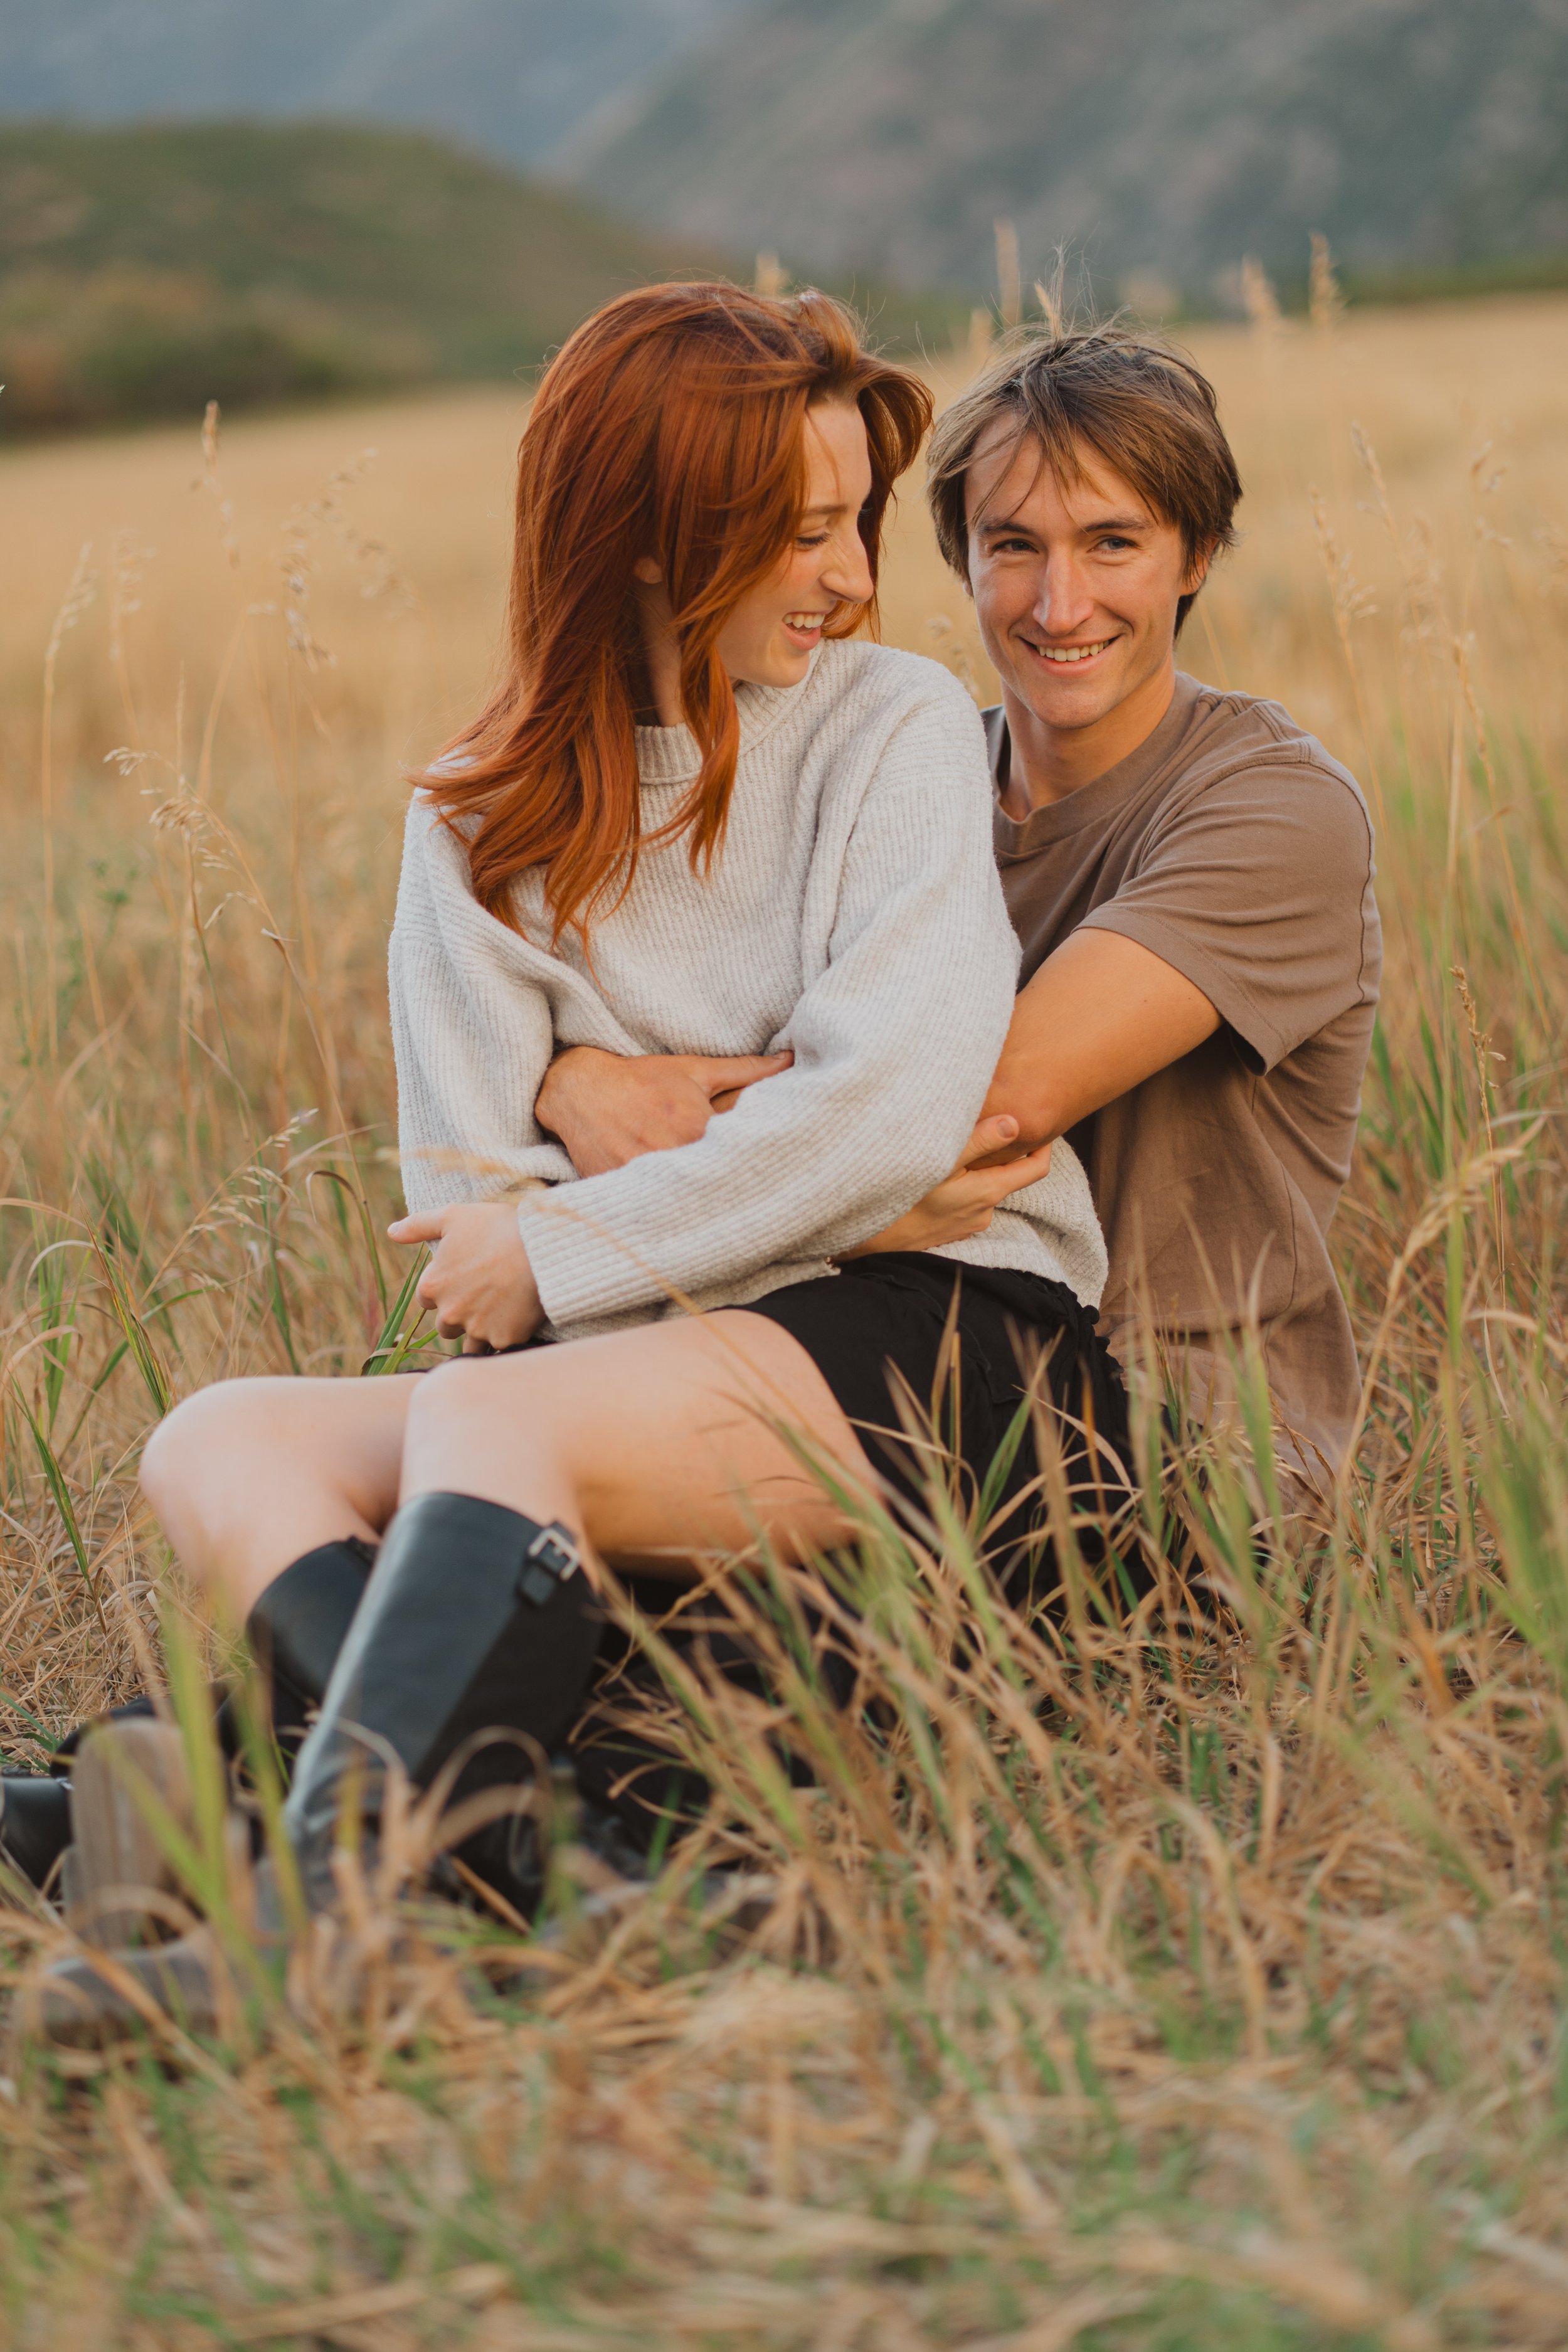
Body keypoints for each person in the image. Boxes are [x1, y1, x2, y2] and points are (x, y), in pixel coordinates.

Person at [28, 284, 1125, 2025]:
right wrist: (647, 1164)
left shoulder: (893, 727)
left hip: (951, 1334)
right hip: (650, 1366)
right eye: (806, 534)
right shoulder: (477, 810)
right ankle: (538, 1846)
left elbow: (887, 1111)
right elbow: (463, 1222)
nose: (853, 578)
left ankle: (311, 1922)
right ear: (652, 535)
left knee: (493, 1420)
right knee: (218, 1436)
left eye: (855, 523)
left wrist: (587, 1191)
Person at [543, 327, 1382, 1512]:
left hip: (1176, 1444)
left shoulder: (1275, 810)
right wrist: (574, 1082)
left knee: (571, 1496)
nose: (1060, 602)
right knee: (493, 1476)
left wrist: (608, 1112)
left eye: (1113, 543)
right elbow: (775, 1067)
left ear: (1196, 555)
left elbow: (953, 1110)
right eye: (1013, 545)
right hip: (888, 1362)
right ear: (962, 556)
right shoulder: (889, 785)